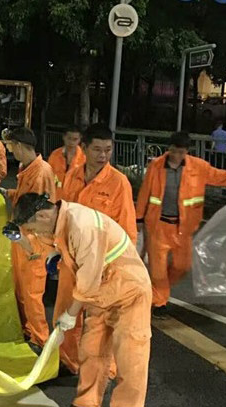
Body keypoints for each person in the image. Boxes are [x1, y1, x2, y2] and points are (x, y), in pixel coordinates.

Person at [11, 193, 151, 407]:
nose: (34, 233)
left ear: (41, 216)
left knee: (130, 360)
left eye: (31, 228)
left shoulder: (83, 226)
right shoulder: (58, 224)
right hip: (101, 295)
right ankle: (86, 403)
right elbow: (41, 248)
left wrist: (69, 316)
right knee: (92, 351)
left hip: (129, 293)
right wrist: (20, 238)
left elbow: (88, 280)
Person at [136, 131, 226, 319]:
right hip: (158, 226)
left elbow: (221, 177)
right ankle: (159, 301)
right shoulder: (156, 166)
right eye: (174, 151)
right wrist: (139, 219)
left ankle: (160, 290)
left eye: (181, 152)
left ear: (187, 151)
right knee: (157, 270)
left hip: (183, 229)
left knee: (182, 266)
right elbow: (145, 192)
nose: (177, 156)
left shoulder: (198, 167)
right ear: (169, 149)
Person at [55, 123, 137, 374]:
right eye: (98, 150)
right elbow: (64, 215)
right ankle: (67, 360)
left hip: (104, 265)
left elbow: (128, 228)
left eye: (108, 150)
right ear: (84, 148)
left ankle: (105, 367)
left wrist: (120, 268)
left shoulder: (118, 183)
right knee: (65, 314)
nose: (103, 156)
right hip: (73, 260)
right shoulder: (74, 175)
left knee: (101, 320)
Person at [0, 127, 55, 353]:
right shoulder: (29, 170)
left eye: (11, 147)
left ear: (19, 146)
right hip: (25, 237)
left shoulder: (39, 173)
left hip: (35, 240)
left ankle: (40, 339)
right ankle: (29, 331)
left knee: (31, 294)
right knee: (22, 290)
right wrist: (7, 193)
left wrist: (15, 229)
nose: (11, 152)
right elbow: (24, 198)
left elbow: (34, 209)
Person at [47, 125, 85, 198]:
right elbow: (49, 176)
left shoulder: (84, 158)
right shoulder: (55, 155)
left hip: (75, 200)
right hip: (56, 197)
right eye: (69, 138)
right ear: (64, 137)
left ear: (80, 139)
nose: (71, 142)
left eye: (75, 139)